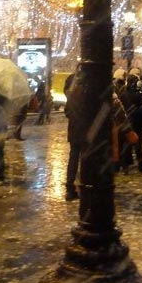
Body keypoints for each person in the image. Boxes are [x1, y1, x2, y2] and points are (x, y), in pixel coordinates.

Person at [63, 69, 82, 201]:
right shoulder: (86, 94)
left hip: (75, 131)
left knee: (73, 159)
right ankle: (85, 186)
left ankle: (70, 187)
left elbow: (67, 112)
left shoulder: (71, 97)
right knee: (86, 159)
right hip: (87, 132)